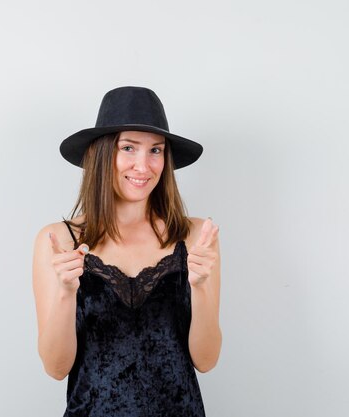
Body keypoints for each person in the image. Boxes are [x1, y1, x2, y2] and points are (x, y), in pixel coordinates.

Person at [32, 86, 221, 416]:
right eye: (129, 148)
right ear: (103, 154)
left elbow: (206, 360)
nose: (143, 165)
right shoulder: (58, 240)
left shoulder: (195, 236)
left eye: (156, 151)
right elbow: (55, 367)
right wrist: (66, 292)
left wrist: (201, 286)